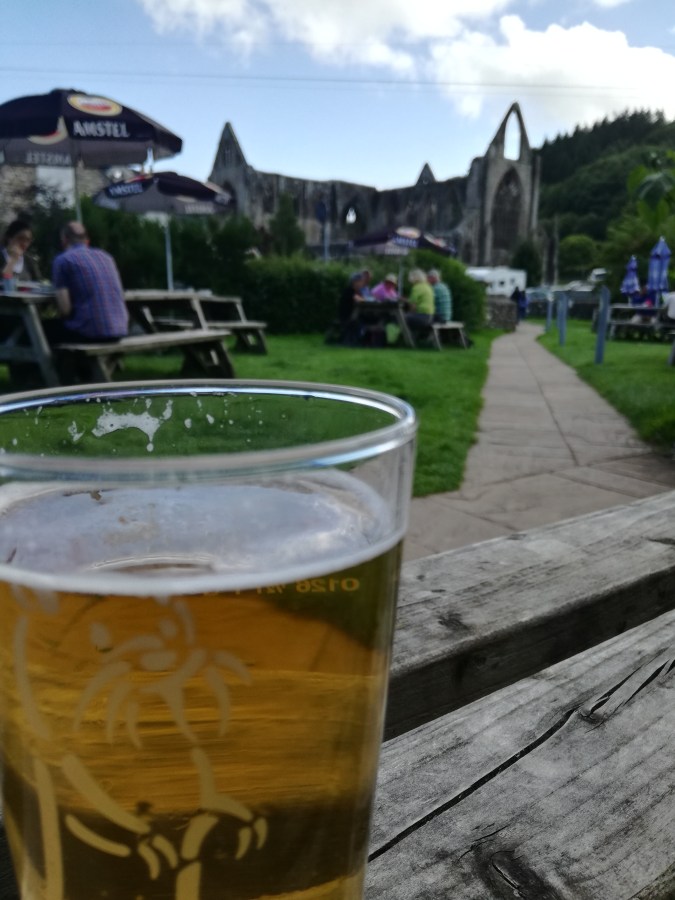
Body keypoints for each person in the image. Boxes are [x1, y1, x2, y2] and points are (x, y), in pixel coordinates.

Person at [46, 221, 129, 345]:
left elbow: (65, 310)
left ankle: (54, 365)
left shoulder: (63, 260)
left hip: (90, 332)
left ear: (64, 239)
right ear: (86, 239)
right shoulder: (107, 257)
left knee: (39, 331)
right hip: (119, 330)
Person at [1, 219, 41, 289]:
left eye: (28, 240)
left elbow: (38, 285)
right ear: (9, 238)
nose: (25, 244)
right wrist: (13, 260)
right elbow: (7, 288)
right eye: (21, 238)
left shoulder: (30, 261)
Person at [338, 271, 367, 345]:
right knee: (359, 321)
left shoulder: (357, 291)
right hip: (347, 316)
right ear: (355, 282)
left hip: (353, 315)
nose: (362, 283)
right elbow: (359, 300)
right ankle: (355, 340)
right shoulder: (349, 291)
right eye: (360, 281)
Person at [405, 268, 435, 334]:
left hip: (422, 317)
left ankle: (403, 340)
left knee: (401, 318)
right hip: (430, 317)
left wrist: (409, 313)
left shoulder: (416, 287)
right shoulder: (428, 286)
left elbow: (412, 306)